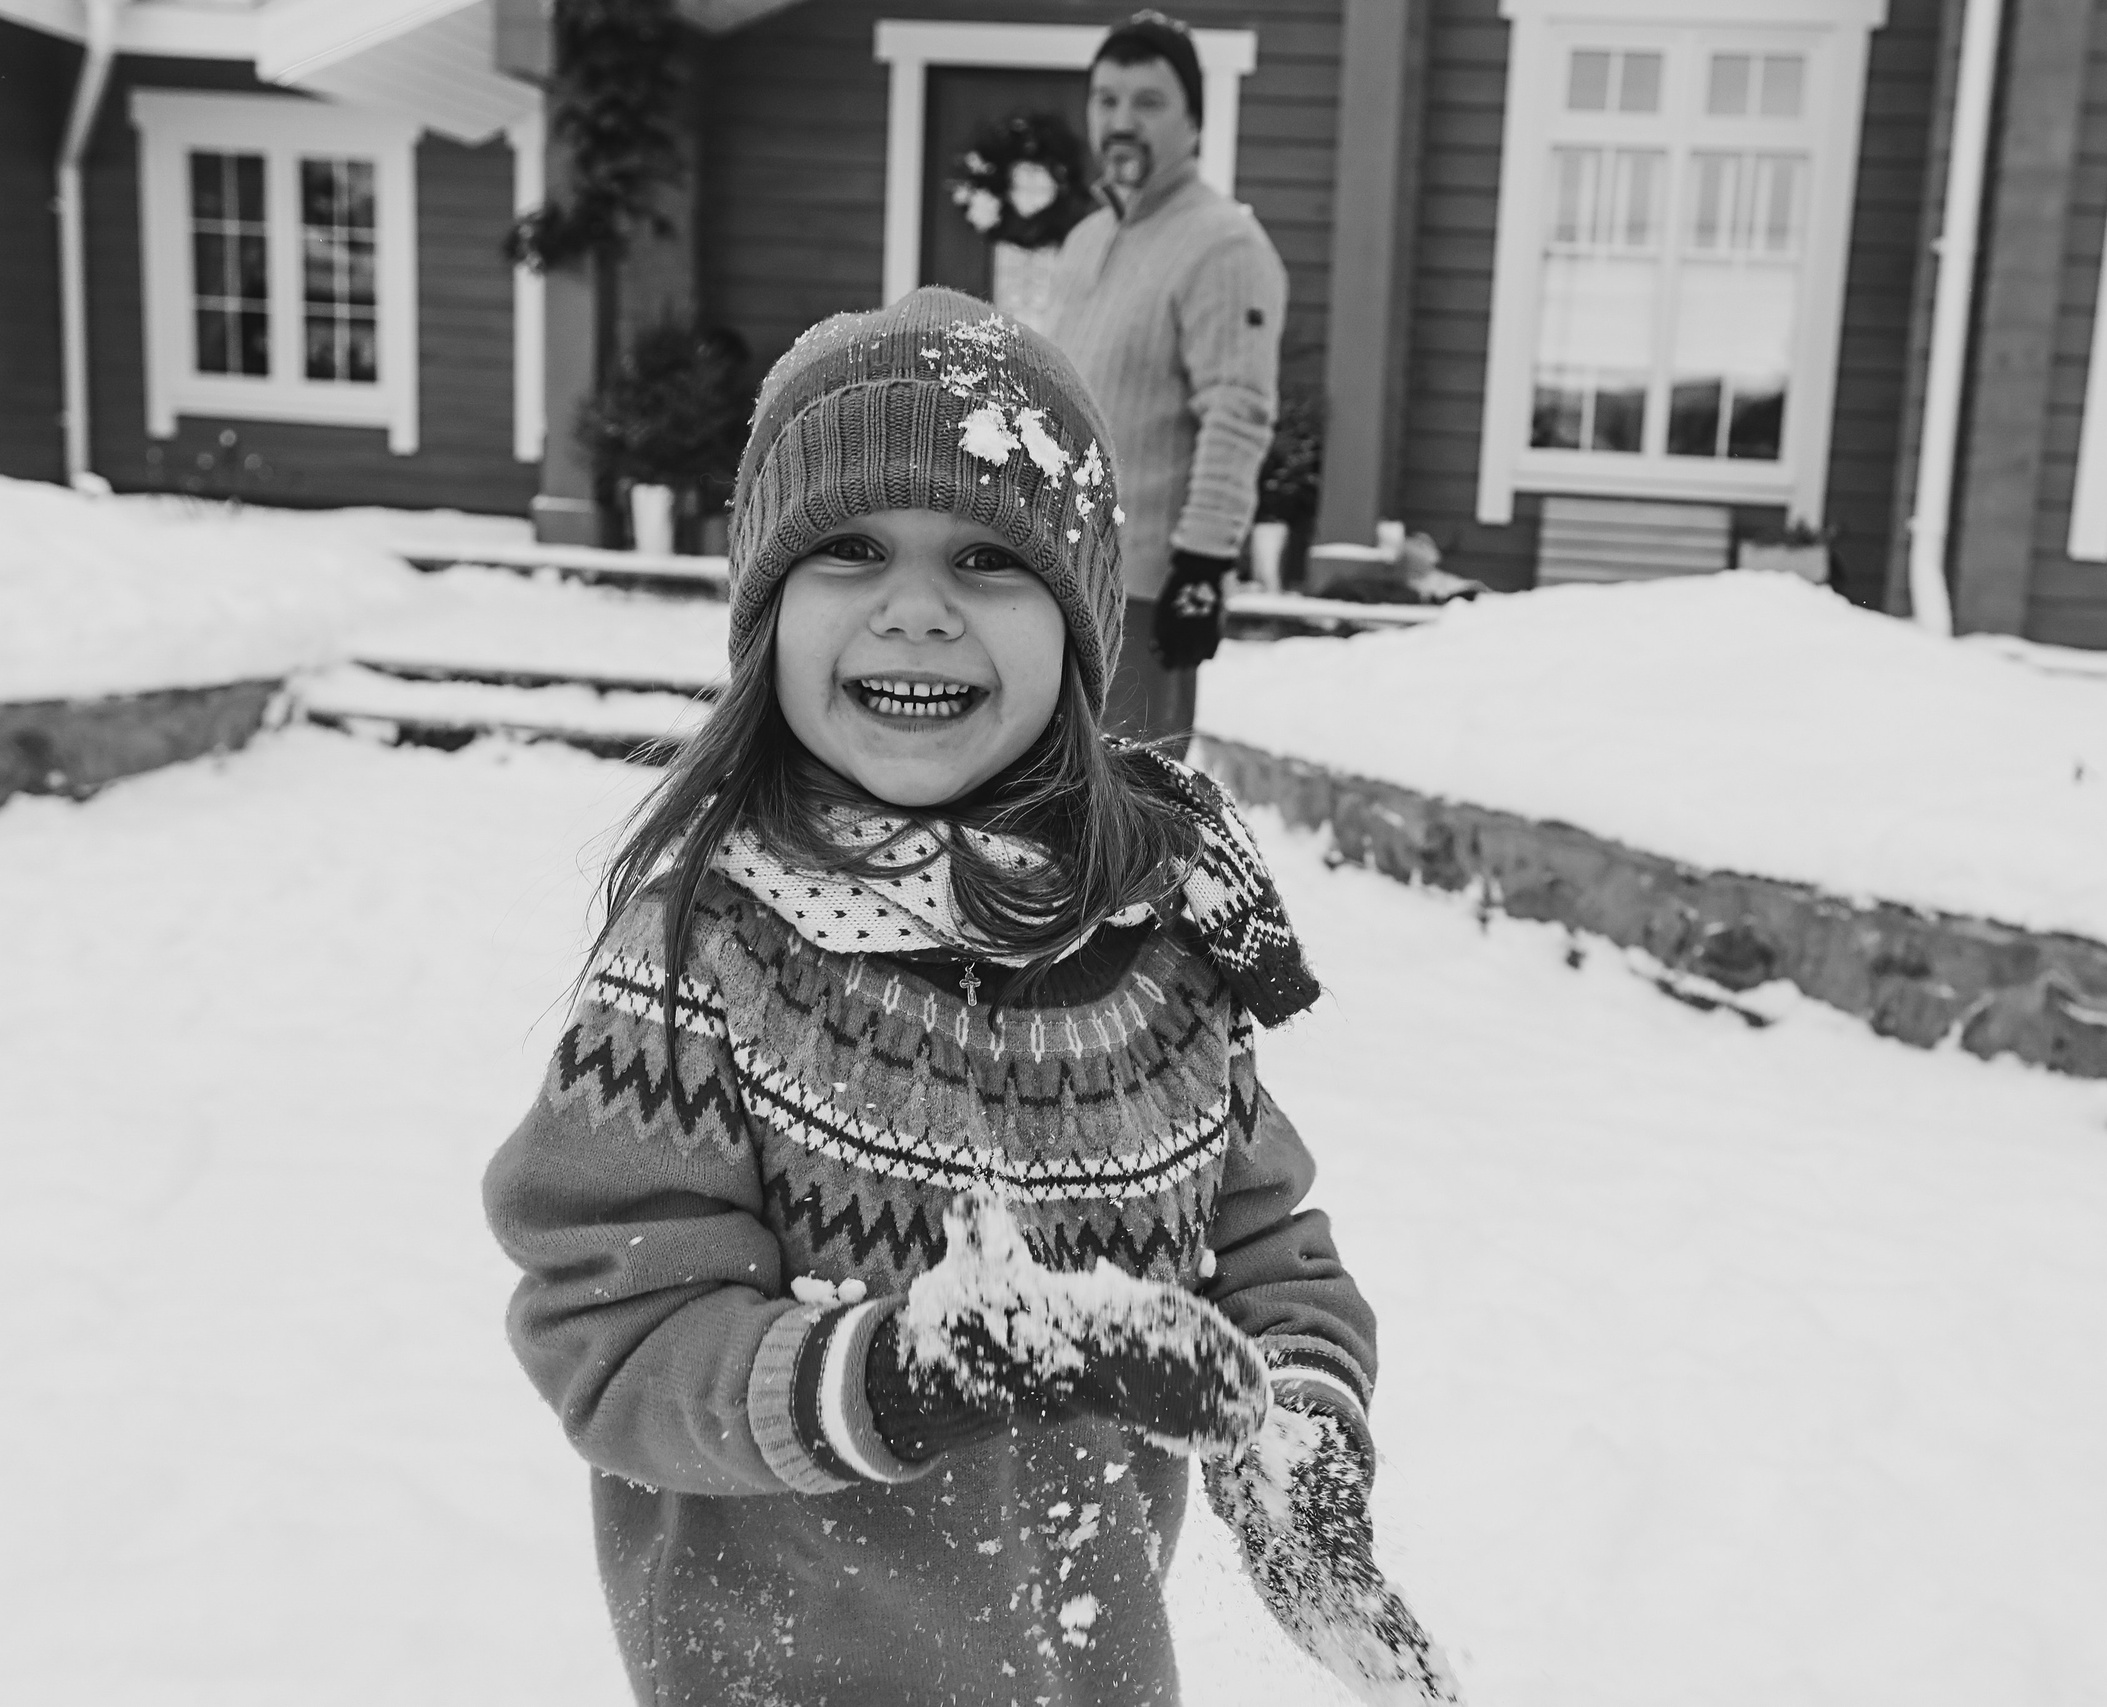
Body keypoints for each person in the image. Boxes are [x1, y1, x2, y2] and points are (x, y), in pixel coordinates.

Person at [483, 288, 1452, 1706]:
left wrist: (1290, 1437)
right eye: (853, 549)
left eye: (991, 558)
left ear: (1074, 625)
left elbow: (1262, 1251)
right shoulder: (710, 952)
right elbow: (610, 1329)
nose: (919, 607)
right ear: (765, 612)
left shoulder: (1159, 946)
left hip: (1090, 1666)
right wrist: (901, 1373)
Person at [1049, 11, 1286, 750]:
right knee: (1040, 813)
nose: (1122, 120)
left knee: (1128, 812)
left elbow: (1239, 411)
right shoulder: (1088, 238)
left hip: (1145, 589)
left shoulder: (1223, 245)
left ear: (1194, 124)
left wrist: (1204, 564)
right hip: (1055, 571)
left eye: (1148, 102)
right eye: (1107, 99)